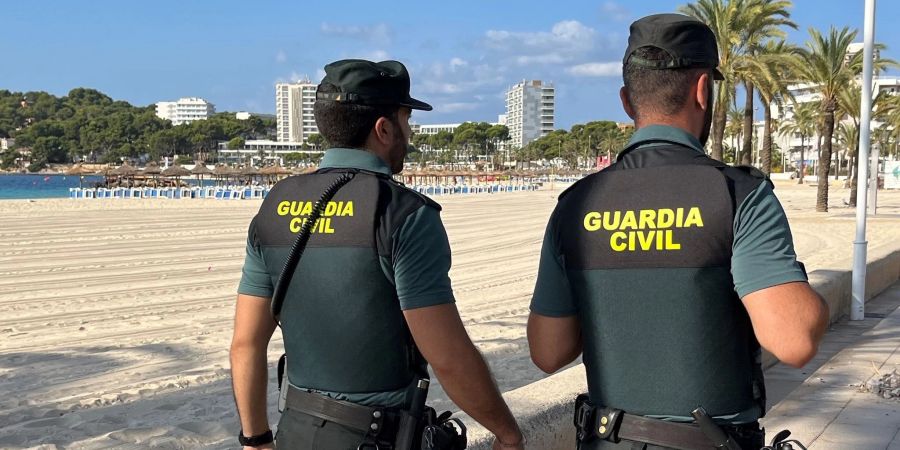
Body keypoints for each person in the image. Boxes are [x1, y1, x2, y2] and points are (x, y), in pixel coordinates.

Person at [526, 14, 829, 450]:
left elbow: (548, 353)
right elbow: (794, 340)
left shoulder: (576, 204)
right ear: (704, 90)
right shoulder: (736, 194)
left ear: (627, 101)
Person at [230, 59, 523, 450]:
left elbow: (246, 344)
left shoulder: (274, 206)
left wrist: (255, 438)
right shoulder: (404, 213)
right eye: (407, 121)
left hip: (296, 429)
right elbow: (448, 356)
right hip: (375, 437)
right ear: (384, 129)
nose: (410, 136)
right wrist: (506, 433)